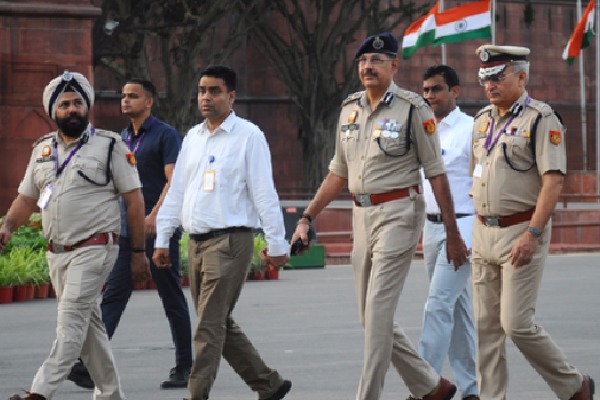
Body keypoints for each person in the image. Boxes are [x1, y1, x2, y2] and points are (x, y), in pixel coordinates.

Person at [291, 33, 468, 400]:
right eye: (362, 62)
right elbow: (337, 173)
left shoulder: (413, 109)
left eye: (377, 60)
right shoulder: (350, 109)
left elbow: (436, 173)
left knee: (377, 315)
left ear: (394, 66)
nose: (368, 67)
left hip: (399, 213)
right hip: (362, 216)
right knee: (370, 318)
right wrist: (307, 216)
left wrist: (452, 232)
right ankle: (431, 385)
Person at [1, 71, 150, 400]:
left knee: (70, 323)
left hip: (95, 249)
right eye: (65, 104)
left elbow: (134, 201)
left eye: (78, 103)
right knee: (90, 330)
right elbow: (27, 198)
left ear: (88, 108)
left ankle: (38, 394)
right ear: (53, 111)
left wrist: (138, 252)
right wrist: (8, 225)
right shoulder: (42, 150)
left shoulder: (110, 145)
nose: (72, 109)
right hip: (57, 253)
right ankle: (111, 395)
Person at [152, 65, 292, 400]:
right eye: (202, 90)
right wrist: (162, 237)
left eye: (215, 91)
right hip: (196, 244)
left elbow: (264, 192)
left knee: (208, 327)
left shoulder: (248, 136)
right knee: (217, 322)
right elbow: (177, 192)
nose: (206, 97)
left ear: (231, 96)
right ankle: (268, 384)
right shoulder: (193, 137)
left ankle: (195, 394)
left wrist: (276, 242)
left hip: (231, 242)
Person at [470, 44, 594, 400]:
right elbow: (475, 178)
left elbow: (553, 181)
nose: (490, 85)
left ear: (521, 77)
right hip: (484, 231)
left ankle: (573, 385)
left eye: (498, 76)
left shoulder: (541, 119)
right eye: (484, 78)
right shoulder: (482, 121)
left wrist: (533, 234)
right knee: (486, 328)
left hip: (521, 231)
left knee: (516, 324)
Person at [67, 79, 193, 390]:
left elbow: (174, 181)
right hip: (127, 233)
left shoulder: (165, 135)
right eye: (123, 95)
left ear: (149, 101)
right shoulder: (122, 139)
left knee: (171, 298)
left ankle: (185, 366)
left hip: (159, 230)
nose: (125, 100)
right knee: (113, 297)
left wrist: (155, 216)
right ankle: (88, 366)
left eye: (133, 96)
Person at [410, 65, 479, 400]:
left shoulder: (471, 129)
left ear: (456, 91)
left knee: (437, 304)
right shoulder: (424, 129)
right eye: (425, 90)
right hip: (431, 226)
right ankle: (470, 388)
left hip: (463, 226)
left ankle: (424, 385)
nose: (429, 96)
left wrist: (468, 230)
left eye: (436, 89)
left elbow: (483, 180)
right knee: (457, 308)